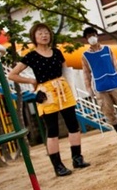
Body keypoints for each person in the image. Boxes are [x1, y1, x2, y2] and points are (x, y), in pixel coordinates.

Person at [8, 23, 91, 177]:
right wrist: (32, 82)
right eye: (40, 33)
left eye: (46, 32)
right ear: (34, 37)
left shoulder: (57, 52)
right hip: (46, 93)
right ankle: (58, 166)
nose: (44, 35)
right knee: (52, 130)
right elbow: (12, 75)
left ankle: (77, 159)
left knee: (73, 125)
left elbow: (66, 71)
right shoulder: (31, 56)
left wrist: (72, 91)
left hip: (63, 89)